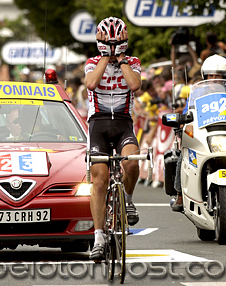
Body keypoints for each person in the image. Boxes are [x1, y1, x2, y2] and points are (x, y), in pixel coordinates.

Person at [85, 17, 142, 261]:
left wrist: (121, 61)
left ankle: (127, 199)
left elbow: (135, 85)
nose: (111, 46)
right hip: (98, 123)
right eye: (106, 43)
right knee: (100, 179)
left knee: (131, 162)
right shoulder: (92, 62)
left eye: (116, 42)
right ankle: (98, 238)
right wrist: (106, 58)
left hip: (122, 123)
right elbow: (91, 82)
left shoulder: (134, 62)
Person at [171, 55, 226, 217]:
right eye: (210, 75)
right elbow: (187, 112)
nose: (214, 79)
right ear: (205, 76)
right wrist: (181, 121)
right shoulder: (197, 93)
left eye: (218, 75)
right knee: (184, 154)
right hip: (204, 136)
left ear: (225, 76)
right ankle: (180, 194)